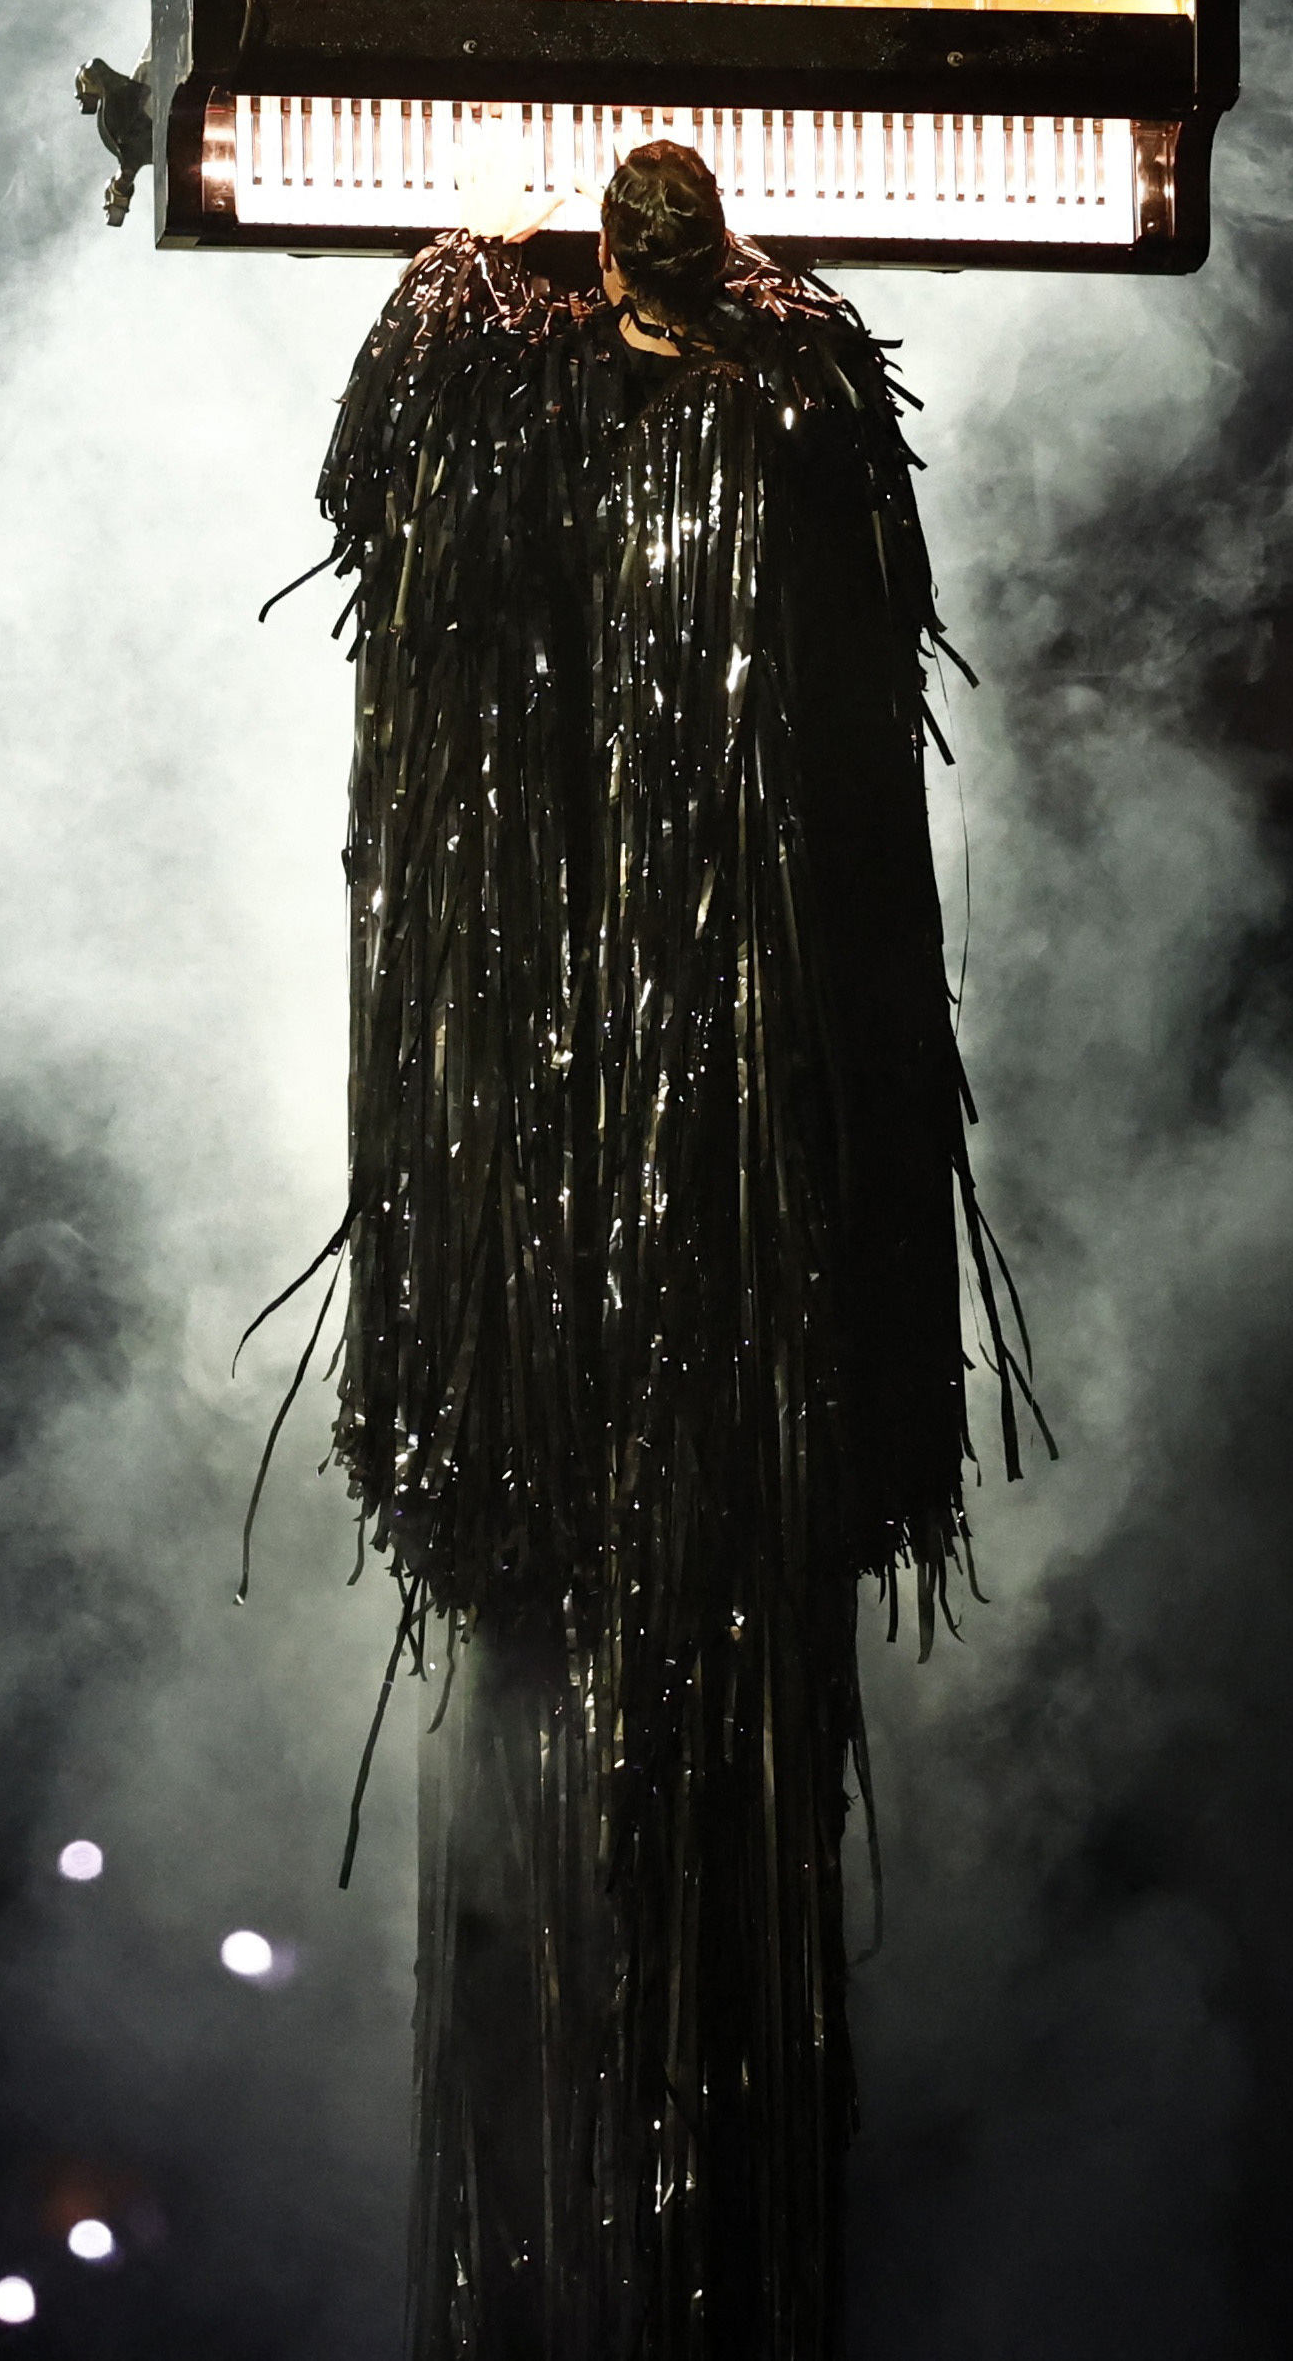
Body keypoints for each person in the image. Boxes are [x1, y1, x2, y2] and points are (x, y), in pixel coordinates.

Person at [311, 141, 1037, 2361]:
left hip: (762, 1203)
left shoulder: (795, 387)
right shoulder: (471, 362)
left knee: (717, 1760)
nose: (644, 217)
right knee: (557, 1701)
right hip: (534, 1152)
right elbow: (386, 524)